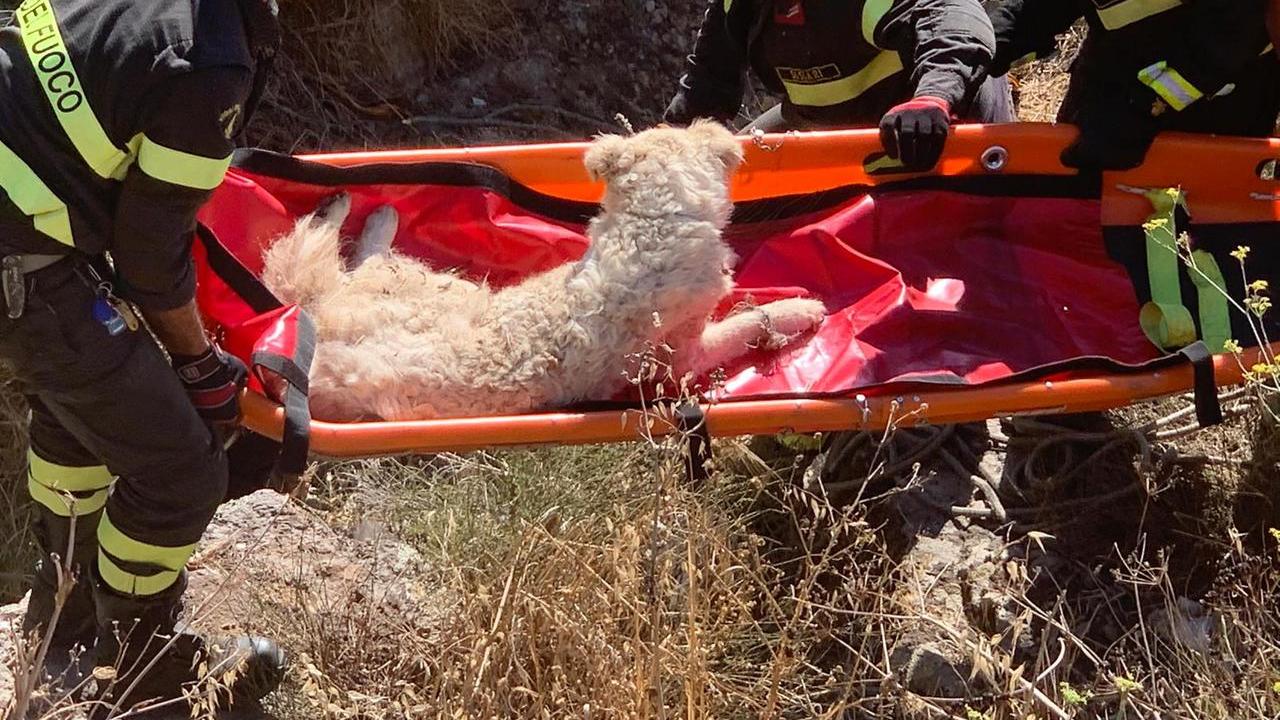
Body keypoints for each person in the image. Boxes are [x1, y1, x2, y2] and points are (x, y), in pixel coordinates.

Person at [0, 0, 288, 712]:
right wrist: (198, 365)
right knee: (182, 472)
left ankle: (60, 617)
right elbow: (151, 261)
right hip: (21, 258)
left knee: (82, 419)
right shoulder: (208, 63)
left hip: (24, 218)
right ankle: (143, 677)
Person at [663, 0, 1015, 171]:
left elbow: (955, 25)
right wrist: (661, 155)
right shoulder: (738, 4)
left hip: (921, 129)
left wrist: (933, 98)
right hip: (816, 125)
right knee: (731, 193)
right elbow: (706, 83)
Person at [987, 0, 1279, 169]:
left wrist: (1144, 107)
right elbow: (1035, 10)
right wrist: (979, 45)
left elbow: (1232, 37)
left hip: (1223, 105)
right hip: (1111, 72)